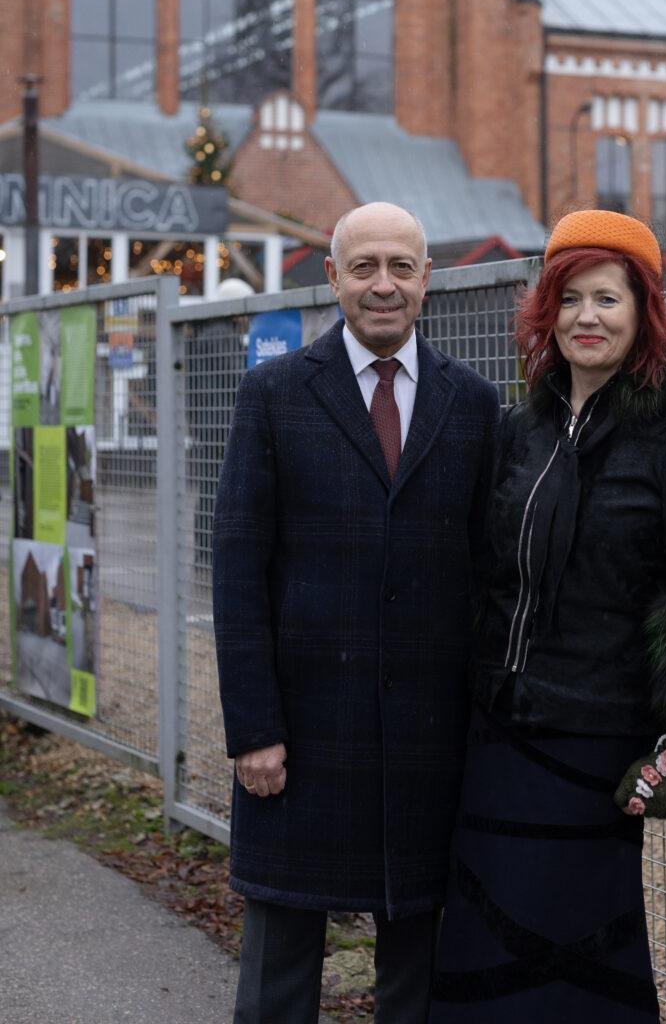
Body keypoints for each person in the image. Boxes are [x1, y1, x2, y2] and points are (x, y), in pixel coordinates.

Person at [430, 210, 666, 1022]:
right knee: (480, 951)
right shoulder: (521, 430)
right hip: (497, 738)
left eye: (607, 298)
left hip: (594, 751)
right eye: (569, 299)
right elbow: (485, 579)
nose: (586, 317)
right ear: (547, 312)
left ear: (643, 312)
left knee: (576, 961)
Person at [212, 201, 500, 1024]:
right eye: (365, 266)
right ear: (333, 277)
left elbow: (489, 577)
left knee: (419, 972)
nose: (383, 285)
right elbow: (239, 572)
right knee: (279, 971)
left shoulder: (473, 404)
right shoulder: (273, 395)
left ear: (426, 280)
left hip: (429, 740)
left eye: (401, 267)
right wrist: (254, 730)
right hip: (302, 738)